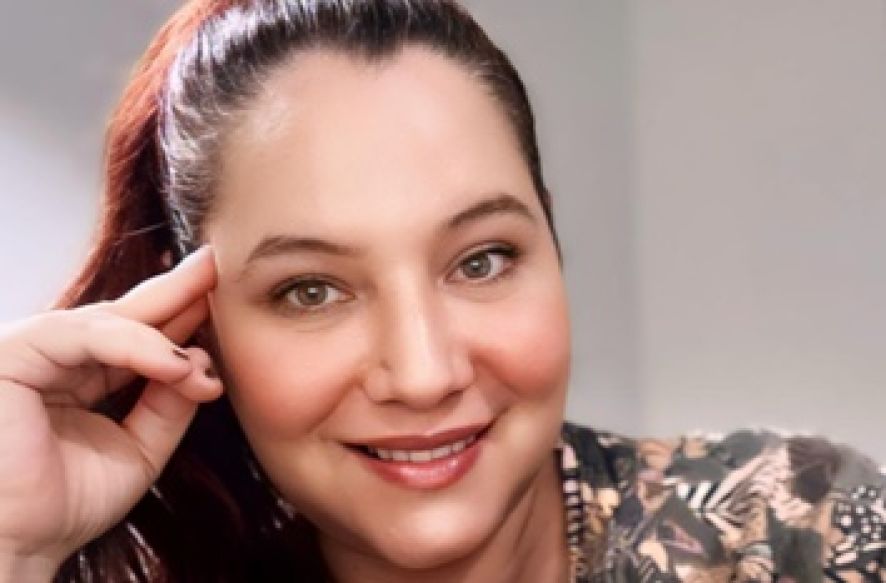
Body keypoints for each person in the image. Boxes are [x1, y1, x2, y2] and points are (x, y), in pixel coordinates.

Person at [0, 1, 883, 581]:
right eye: (311, 290)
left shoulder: (797, 529)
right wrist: (15, 548)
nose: (423, 374)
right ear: (197, 326)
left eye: (481, 260)